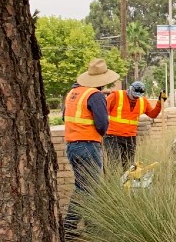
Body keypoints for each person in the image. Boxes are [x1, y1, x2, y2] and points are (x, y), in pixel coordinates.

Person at [61, 58, 120, 239]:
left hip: (72, 146)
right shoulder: (95, 96)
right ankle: (74, 228)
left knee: (83, 187)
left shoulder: (73, 93)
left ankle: (78, 227)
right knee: (89, 188)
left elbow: (64, 117)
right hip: (88, 146)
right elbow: (102, 124)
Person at [103, 81, 165, 171]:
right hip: (113, 136)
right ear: (130, 89)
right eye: (134, 95)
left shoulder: (143, 101)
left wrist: (160, 102)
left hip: (130, 138)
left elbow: (153, 114)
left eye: (138, 96)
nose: (135, 98)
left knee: (128, 166)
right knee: (114, 163)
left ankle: (126, 183)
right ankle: (113, 182)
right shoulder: (116, 96)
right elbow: (103, 110)